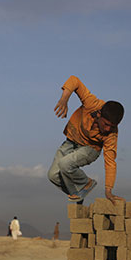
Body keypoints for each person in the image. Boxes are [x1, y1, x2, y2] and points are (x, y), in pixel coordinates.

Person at [48, 75, 125, 204]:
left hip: (90, 149)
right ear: (99, 115)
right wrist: (64, 99)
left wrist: (108, 190)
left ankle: (86, 183)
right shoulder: (92, 104)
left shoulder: (111, 135)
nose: (107, 129)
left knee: (65, 164)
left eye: (112, 126)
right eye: (105, 124)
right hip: (71, 141)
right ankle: (77, 193)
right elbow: (74, 81)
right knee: (52, 175)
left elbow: (110, 162)